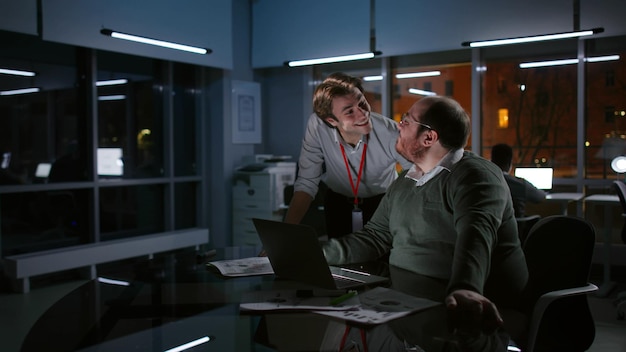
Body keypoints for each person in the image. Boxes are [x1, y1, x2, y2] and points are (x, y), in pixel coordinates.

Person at [321, 96, 528, 344]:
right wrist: (313, 254)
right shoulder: (405, 182)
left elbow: (475, 235)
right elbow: (374, 237)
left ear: (429, 138)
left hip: (465, 308)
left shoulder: (475, 177)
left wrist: (466, 288)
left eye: (406, 121)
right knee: (338, 327)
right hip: (406, 298)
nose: (399, 125)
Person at [285, 72, 411, 238]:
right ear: (332, 121)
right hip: (338, 202)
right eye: (349, 112)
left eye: (362, 102)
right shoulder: (317, 126)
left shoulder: (391, 132)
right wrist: (285, 235)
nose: (363, 114)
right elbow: (307, 181)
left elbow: (417, 177)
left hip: (381, 203)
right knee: (339, 259)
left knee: (381, 260)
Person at [490, 143, 546, 218]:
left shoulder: (485, 182)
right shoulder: (520, 184)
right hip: (517, 228)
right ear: (510, 163)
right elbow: (540, 197)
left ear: (491, 161)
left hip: (492, 228)